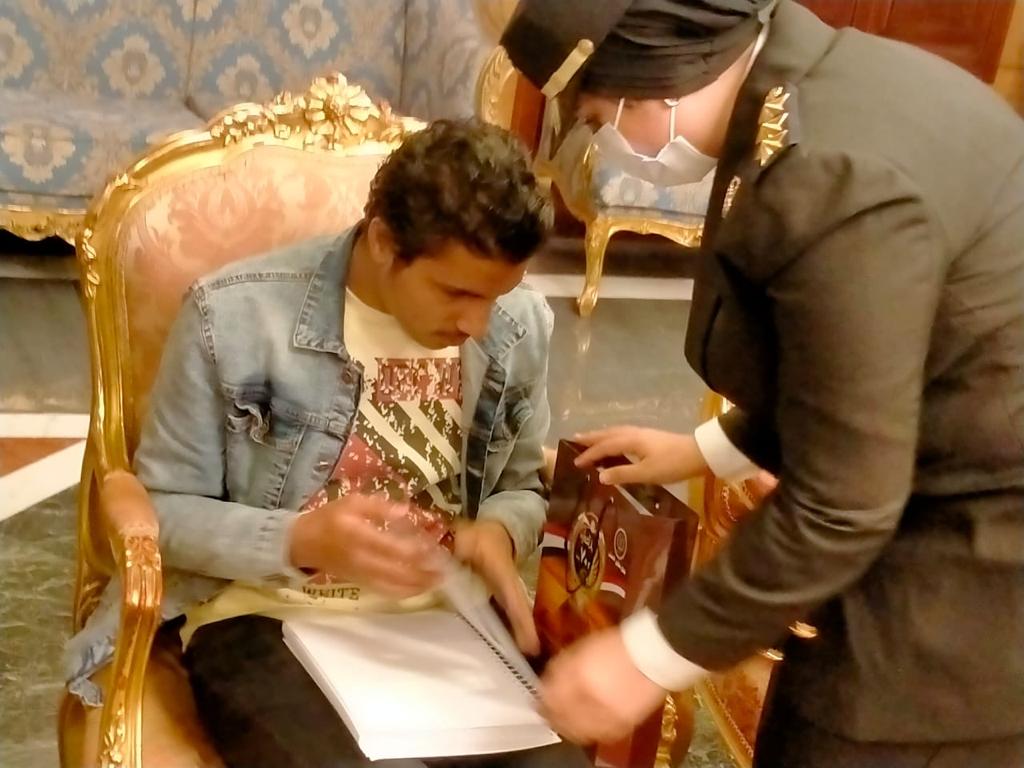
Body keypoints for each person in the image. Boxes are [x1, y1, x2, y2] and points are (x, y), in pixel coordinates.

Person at [502, 1, 1024, 765]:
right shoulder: (800, 90)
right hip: (928, 469)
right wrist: (706, 449)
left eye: (596, 118)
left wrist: (647, 657)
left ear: (652, 85)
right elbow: (850, 365)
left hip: (974, 573)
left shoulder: (828, 178)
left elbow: (843, 505)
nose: (606, 143)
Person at [65, 119, 592, 768]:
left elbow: (521, 483)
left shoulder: (520, 325)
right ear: (383, 241)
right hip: (265, 618)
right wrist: (301, 541)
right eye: (455, 292)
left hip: (448, 626)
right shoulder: (234, 315)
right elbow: (164, 514)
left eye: (496, 295)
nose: (477, 323)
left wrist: (500, 532)